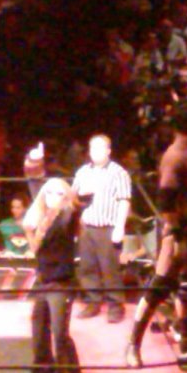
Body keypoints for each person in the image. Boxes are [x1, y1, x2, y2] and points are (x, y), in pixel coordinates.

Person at [127, 105, 187, 368]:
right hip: (178, 229)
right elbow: (165, 200)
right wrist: (176, 232)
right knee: (160, 286)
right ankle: (133, 344)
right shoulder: (175, 156)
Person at [24, 179, 84, 373]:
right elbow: (35, 249)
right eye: (49, 193)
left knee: (60, 334)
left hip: (61, 283)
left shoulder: (65, 217)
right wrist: (29, 230)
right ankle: (43, 364)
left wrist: (75, 202)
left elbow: (74, 212)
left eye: (59, 193)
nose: (53, 197)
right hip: (44, 280)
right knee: (39, 321)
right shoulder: (44, 219)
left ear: (66, 197)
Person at [71, 135, 131, 323]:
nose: (95, 152)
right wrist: (79, 198)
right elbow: (72, 197)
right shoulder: (83, 172)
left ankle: (115, 305)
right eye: (93, 148)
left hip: (107, 226)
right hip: (86, 226)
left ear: (108, 151)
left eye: (100, 148)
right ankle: (93, 302)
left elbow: (124, 200)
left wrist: (120, 227)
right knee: (87, 267)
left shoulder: (118, 172)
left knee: (110, 269)